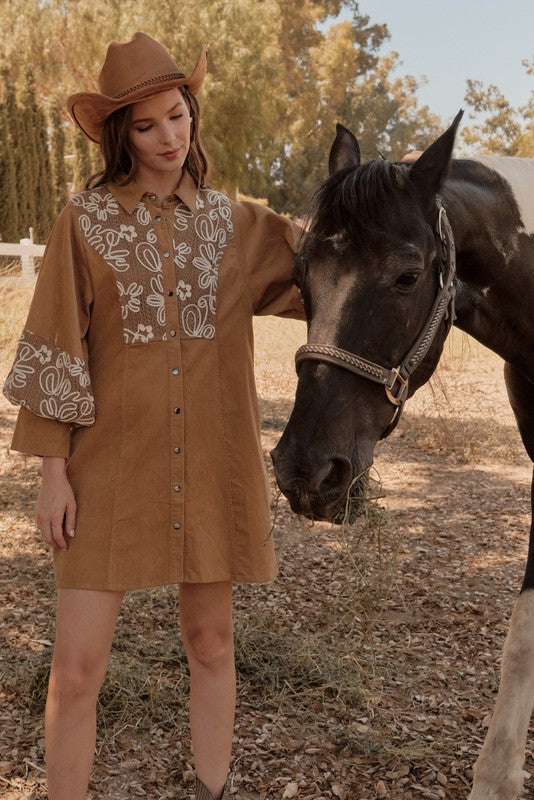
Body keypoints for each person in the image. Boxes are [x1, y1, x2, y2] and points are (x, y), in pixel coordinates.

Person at [3, 32, 304, 800]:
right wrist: (52, 474)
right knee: (75, 672)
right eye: (147, 125)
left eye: (178, 116)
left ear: (191, 112)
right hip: (108, 472)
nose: (169, 137)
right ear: (120, 135)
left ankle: (212, 790)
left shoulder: (240, 226)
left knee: (212, 643)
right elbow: (56, 344)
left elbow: (333, 278)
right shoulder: (85, 221)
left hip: (210, 465)